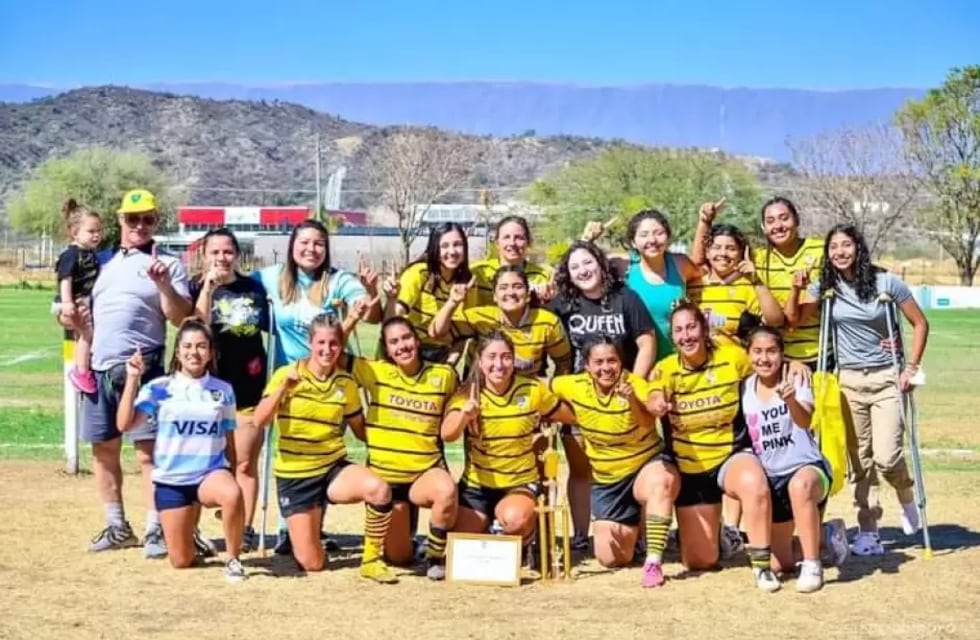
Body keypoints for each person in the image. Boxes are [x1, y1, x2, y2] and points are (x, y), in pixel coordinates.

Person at [61, 189, 194, 558]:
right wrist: (66, 315)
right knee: (104, 450)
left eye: (147, 219)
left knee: (149, 454)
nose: (139, 225)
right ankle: (118, 526)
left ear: (156, 222)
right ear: (119, 220)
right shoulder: (97, 261)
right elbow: (69, 304)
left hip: (143, 366)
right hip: (99, 368)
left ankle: (156, 530)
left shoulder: (169, 264)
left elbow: (182, 317)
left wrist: (163, 284)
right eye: (132, 218)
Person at [787, 223, 929, 556]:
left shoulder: (885, 282)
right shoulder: (826, 286)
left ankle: (905, 494)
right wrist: (796, 290)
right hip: (849, 381)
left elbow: (920, 323)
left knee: (887, 455)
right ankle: (868, 529)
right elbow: (794, 320)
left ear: (858, 248)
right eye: (833, 247)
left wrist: (911, 368)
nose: (839, 252)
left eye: (846, 245)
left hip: (886, 378)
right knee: (859, 460)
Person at [647, 301, 808, 591]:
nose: (687, 336)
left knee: (754, 483)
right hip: (691, 469)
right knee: (700, 561)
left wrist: (791, 363)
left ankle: (761, 568)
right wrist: (657, 402)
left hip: (730, 457)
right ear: (672, 337)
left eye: (692, 327)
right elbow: (653, 393)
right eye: (679, 330)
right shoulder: (666, 369)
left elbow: (764, 360)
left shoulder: (732, 358)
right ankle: (721, 536)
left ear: (704, 328)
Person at [254, 219, 382, 554]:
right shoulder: (271, 276)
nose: (311, 249)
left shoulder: (337, 279)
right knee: (293, 444)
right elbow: (241, 287)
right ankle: (289, 526)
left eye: (318, 244)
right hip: (292, 377)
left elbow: (360, 302)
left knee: (326, 443)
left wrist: (361, 301)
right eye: (304, 242)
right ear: (292, 245)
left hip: (331, 376)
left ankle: (316, 522)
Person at [253, 314, 397, 583]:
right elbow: (260, 420)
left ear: (341, 346)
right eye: (321, 343)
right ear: (310, 343)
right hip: (296, 476)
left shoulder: (345, 383)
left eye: (334, 344)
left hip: (332, 467)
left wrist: (393, 436)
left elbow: (360, 429)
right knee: (313, 563)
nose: (327, 350)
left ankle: (371, 560)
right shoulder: (286, 374)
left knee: (379, 489)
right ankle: (310, 528)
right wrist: (284, 388)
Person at [116, 319, 246, 582]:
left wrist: (233, 470)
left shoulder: (223, 391)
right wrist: (132, 378)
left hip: (209, 472)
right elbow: (124, 424)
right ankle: (190, 537)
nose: (193, 352)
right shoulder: (159, 388)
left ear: (210, 352)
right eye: (187, 346)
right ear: (178, 352)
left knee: (231, 494)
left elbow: (229, 436)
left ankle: (233, 559)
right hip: (171, 480)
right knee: (181, 561)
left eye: (201, 346)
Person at [548, 240, 657, 550]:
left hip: (623, 398)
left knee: (633, 463)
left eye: (588, 262)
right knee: (582, 468)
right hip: (579, 397)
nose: (583, 270)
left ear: (601, 264)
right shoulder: (562, 303)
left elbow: (646, 340)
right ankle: (582, 536)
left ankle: (641, 535)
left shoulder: (625, 298)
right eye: (575, 267)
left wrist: (634, 384)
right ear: (567, 275)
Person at [550, 338, 679, 588]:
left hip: (644, 464)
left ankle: (653, 561)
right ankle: (638, 528)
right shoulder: (573, 385)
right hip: (608, 479)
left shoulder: (632, 383)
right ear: (587, 366)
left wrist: (654, 403)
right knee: (610, 558)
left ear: (621, 363)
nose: (606, 368)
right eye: (598, 362)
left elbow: (648, 411)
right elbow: (544, 388)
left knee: (662, 481)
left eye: (612, 361)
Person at [441, 331, 577, 564]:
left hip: (519, 482)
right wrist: (465, 415)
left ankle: (525, 538)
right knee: (458, 547)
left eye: (506, 357)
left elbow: (568, 415)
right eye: (491, 357)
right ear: (480, 361)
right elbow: (447, 434)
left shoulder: (532, 390)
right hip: (477, 485)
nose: (499, 364)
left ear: (513, 360)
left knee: (515, 520)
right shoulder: (469, 393)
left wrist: (551, 411)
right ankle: (492, 529)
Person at [343, 317, 460, 580]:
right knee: (400, 558)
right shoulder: (376, 372)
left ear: (417, 341)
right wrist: (351, 319)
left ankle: (434, 557)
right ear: (386, 347)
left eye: (406, 338)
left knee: (446, 490)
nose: (402, 346)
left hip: (423, 474)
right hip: (388, 483)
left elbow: (464, 397)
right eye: (394, 342)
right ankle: (408, 545)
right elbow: (331, 352)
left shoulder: (443, 376)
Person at [741, 326, 849, 592]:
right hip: (772, 479)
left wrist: (790, 399)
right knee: (779, 563)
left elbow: (805, 420)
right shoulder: (744, 388)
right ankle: (827, 535)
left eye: (772, 352)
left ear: (782, 354)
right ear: (748, 354)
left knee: (799, 486)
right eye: (757, 352)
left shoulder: (796, 378)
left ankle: (813, 565)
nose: (764, 359)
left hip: (807, 469)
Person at [191, 227, 269, 552]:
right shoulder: (198, 287)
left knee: (245, 463)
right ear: (204, 255)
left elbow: (271, 325)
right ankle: (192, 530)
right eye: (215, 252)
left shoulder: (253, 287)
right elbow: (194, 325)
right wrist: (208, 288)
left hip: (249, 388)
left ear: (236, 254)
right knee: (202, 463)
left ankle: (245, 528)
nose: (222, 258)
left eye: (228, 251)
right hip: (209, 392)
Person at [429, 265, 572, 378]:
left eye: (517, 287)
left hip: (527, 396)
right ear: (495, 297)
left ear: (528, 295)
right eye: (503, 288)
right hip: (486, 394)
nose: (510, 293)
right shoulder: (481, 317)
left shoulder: (548, 322)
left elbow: (564, 364)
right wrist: (452, 302)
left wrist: (549, 392)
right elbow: (436, 332)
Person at [597, 209, 701, 362]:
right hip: (638, 363)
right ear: (633, 242)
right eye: (644, 235)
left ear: (668, 237)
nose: (652, 240)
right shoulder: (623, 266)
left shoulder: (680, 264)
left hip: (678, 362)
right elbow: (580, 268)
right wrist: (588, 239)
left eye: (658, 233)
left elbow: (703, 277)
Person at [385, 222, 476, 363]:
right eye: (444, 246)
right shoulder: (419, 273)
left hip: (441, 355)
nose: (452, 252)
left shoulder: (467, 282)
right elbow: (395, 319)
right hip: (407, 351)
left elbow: (462, 336)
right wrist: (391, 299)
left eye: (457, 245)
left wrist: (449, 367)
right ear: (434, 249)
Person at [687, 223, 784, 346]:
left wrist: (757, 282)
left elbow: (776, 321)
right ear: (707, 252)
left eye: (731, 249)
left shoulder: (748, 286)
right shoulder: (692, 285)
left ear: (741, 254)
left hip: (734, 361)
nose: (723, 253)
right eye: (716, 247)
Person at [55, 198, 103, 394]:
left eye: (99, 231)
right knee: (86, 334)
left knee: (87, 335)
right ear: (75, 232)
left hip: (84, 302)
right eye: (91, 231)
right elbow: (64, 278)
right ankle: (81, 371)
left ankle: (85, 365)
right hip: (72, 302)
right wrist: (67, 302)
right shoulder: (72, 254)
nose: (96, 235)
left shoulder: (91, 253)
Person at [470, 215, 555, 305]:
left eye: (519, 238)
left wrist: (547, 301)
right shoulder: (478, 272)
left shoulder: (544, 276)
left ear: (528, 242)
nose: (512, 243)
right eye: (506, 237)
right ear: (497, 243)